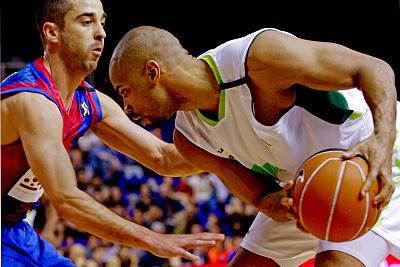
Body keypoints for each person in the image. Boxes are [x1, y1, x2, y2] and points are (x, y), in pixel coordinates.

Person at [108, 25, 400, 266]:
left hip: (370, 152)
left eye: (125, 92)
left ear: (152, 72)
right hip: (307, 186)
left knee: (335, 262)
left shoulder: (257, 60)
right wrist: (268, 202)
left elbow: (374, 69)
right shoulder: (189, 138)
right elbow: (258, 193)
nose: (128, 109)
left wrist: (382, 143)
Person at [1, 1, 225, 266]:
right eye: (86, 22)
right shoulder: (34, 101)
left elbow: (163, 157)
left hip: (15, 232)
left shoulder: (88, 101)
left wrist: (237, 153)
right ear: (52, 33)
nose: (101, 33)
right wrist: (153, 239)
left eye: (102, 22)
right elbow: (67, 200)